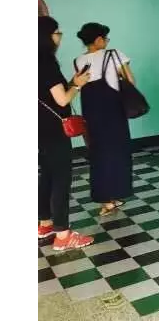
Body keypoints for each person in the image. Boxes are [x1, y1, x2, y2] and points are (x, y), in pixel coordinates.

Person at [38, 16, 94, 251]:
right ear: (47, 36)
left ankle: (45, 225)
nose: (60, 36)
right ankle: (63, 235)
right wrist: (78, 85)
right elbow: (62, 99)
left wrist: (72, 81)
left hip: (39, 129)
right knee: (61, 179)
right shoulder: (46, 61)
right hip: (54, 129)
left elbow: (49, 94)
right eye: (57, 32)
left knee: (46, 176)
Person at [74, 23, 134, 216]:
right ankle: (116, 194)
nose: (107, 42)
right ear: (99, 39)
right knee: (118, 154)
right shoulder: (114, 54)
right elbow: (131, 81)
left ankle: (106, 200)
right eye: (106, 38)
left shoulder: (78, 60)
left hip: (92, 116)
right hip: (114, 114)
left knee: (98, 156)